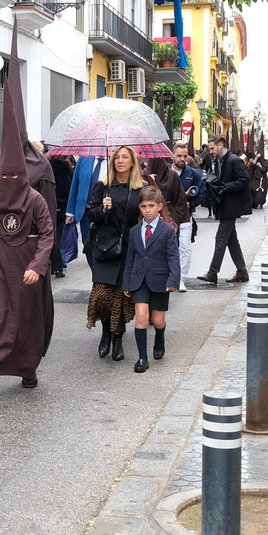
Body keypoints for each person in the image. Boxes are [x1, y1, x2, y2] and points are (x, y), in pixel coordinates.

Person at [0, 31, 53, 398]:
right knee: (0, 314)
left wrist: (42, 263)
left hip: (30, 257)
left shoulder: (38, 184)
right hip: (2, 257)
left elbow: (48, 229)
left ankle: (27, 365)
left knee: (29, 317)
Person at [86, 146, 146, 363]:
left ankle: (118, 339)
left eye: (125, 157)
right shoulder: (103, 186)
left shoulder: (141, 187)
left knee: (121, 296)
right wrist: (103, 210)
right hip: (105, 245)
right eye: (117, 157)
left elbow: (149, 213)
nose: (120, 161)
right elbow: (90, 213)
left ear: (132, 161)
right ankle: (105, 333)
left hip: (130, 246)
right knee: (103, 295)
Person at [121, 185, 180, 373]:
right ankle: (142, 358)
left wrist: (173, 280)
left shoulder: (167, 230)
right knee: (142, 317)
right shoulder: (135, 231)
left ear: (160, 206)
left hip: (160, 280)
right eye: (144, 206)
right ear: (139, 207)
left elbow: (173, 257)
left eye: (151, 206)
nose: (147, 210)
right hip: (139, 279)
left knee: (158, 320)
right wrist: (127, 282)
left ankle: (160, 337)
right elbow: (130, 258)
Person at [196, 137, 252, 285]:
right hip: (225, 205)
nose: (210, 151)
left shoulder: (233, 160)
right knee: (231, 240)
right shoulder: (220, 160)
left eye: (213, 148)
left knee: (221, 239)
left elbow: (244, 180)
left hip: (231, 206)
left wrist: (225, 187)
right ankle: (242, 271)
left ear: (221, 145)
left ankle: (212, 272)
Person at [171, 143, 205, 287]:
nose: (182, 159)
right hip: (166, 216)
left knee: (184, 247)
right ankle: (169, 277)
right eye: (179, 155)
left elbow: (203, 193)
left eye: (185, 156)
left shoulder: (192, 173)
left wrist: (190, 204)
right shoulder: (165, 173)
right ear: (172, 155)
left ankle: (181, 279)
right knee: (168, 247)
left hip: (185, 216)